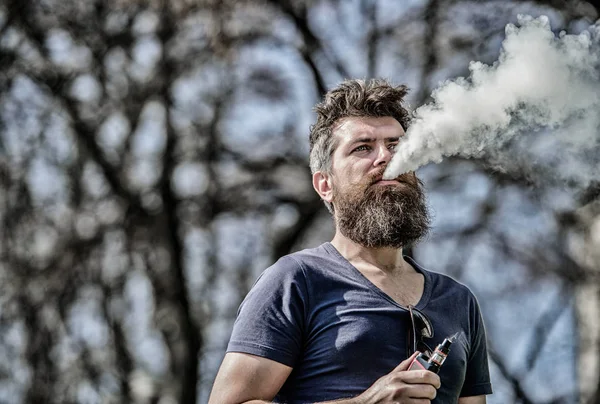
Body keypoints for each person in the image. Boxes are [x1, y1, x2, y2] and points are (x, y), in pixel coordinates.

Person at [208, 79, 493, 404]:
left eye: (396, 145)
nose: (385, 158)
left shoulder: (458, 302)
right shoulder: (295, 282)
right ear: (324, 184)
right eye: (363, 147)